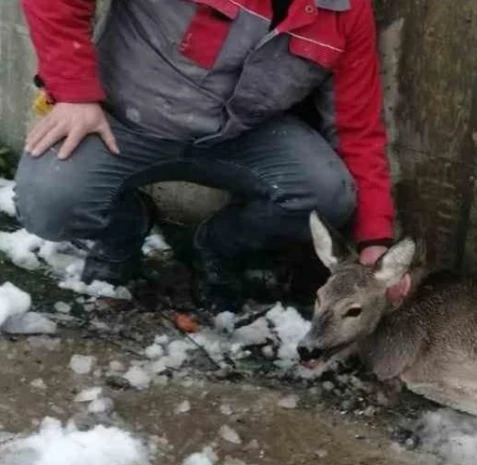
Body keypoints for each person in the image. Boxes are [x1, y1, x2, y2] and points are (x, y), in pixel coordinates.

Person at [14, 0, 396, 312]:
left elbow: (356, 129)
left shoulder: (345, 11)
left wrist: (374, 241)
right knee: (50, 203)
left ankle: (216, 245)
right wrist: (74, 92)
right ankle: (123, 226)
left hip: (239, 136)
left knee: (328, 195)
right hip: (124, 121)